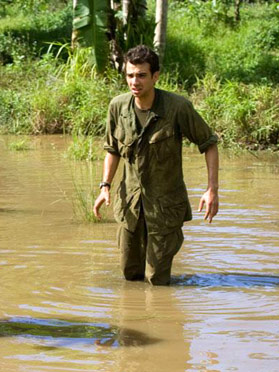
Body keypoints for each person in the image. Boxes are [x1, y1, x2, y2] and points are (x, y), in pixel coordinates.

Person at [93, 44, 220, 285]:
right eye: (130, 75)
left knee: (156, 279)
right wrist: (104, 186)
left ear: (155, 76)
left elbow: (209, 144)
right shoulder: (118, 107)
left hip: (164, 206)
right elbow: (112, 149)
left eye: (141, 75)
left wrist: (211, 189)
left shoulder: (177, 107)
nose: (135, 81)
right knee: (130, 273)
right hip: (130, 203)